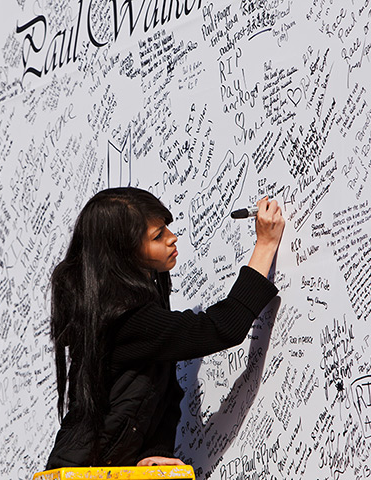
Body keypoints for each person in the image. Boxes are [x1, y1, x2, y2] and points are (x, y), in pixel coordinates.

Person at [46, 187, 284, 468]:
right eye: (158, 236)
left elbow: (158, 394)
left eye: (167, 228)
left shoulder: (135, 303)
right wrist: (265, 245)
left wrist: (153, 451)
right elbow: (221, 328)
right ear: (124, 254)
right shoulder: (124, 318)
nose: (172, 238)